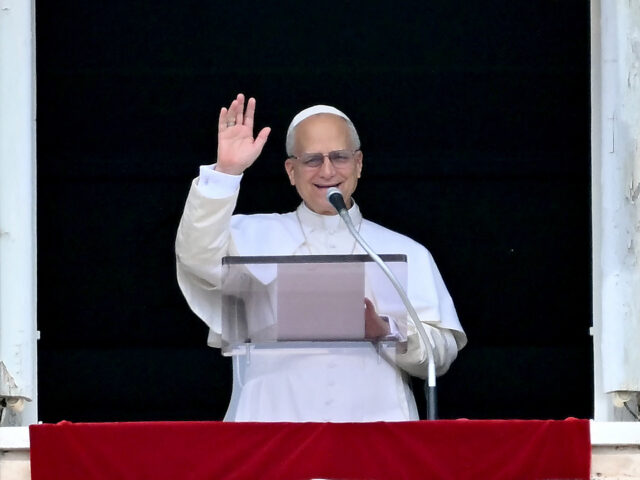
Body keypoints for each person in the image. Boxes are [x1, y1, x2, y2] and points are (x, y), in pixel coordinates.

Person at [176, 93, 466, 422]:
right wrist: (226, 172)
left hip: (376, 439)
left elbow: (440, 355)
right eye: (312, 159)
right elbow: (196, 259)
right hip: (270, 433)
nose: (327, 170)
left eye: (339, 157)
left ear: (358, 163)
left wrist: (386, 330)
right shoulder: (248, 236)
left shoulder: (406, 251)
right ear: (291, 170)